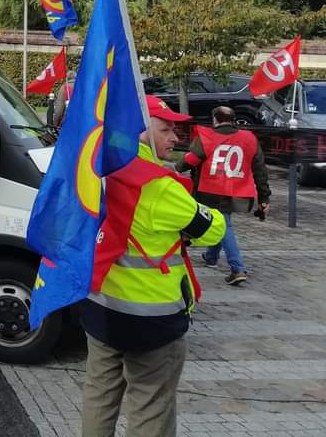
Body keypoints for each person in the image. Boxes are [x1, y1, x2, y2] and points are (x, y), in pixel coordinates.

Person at [79, 96, 226, 437]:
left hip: (99, 305)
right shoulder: (159, 186)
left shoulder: (98, 168)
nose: (176, 137)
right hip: (152, 319)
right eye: (166, 129)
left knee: (99, 396)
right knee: (150, 406)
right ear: (141, 131)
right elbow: (213, 230)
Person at [178, 106, 270, 287]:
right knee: (221, 221)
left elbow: (190, 161)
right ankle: (211, 255)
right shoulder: (249, 138)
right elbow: (260, 170)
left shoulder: (207, 137)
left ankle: (237, 268)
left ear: (215, 119)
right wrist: (264, 197)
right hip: (238, 191)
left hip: (211, 189)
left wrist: (175, 167)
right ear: (233, 119)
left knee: (224, 224)